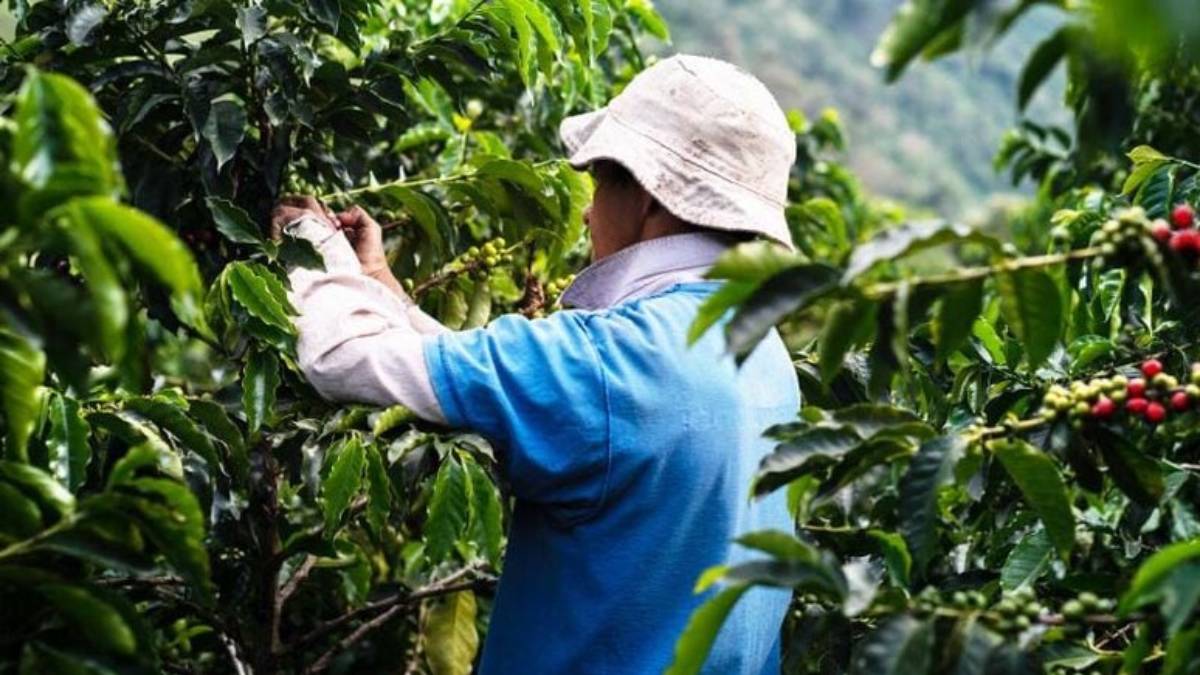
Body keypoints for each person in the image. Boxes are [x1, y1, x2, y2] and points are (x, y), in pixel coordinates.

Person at [274, 54, 800, 674]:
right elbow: (523, 390)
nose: (587, 212)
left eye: (601, 182)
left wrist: (313, 247)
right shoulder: (768, 359)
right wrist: (378, 282)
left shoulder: (611, 359)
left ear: (652, 194)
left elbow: (341, 356)